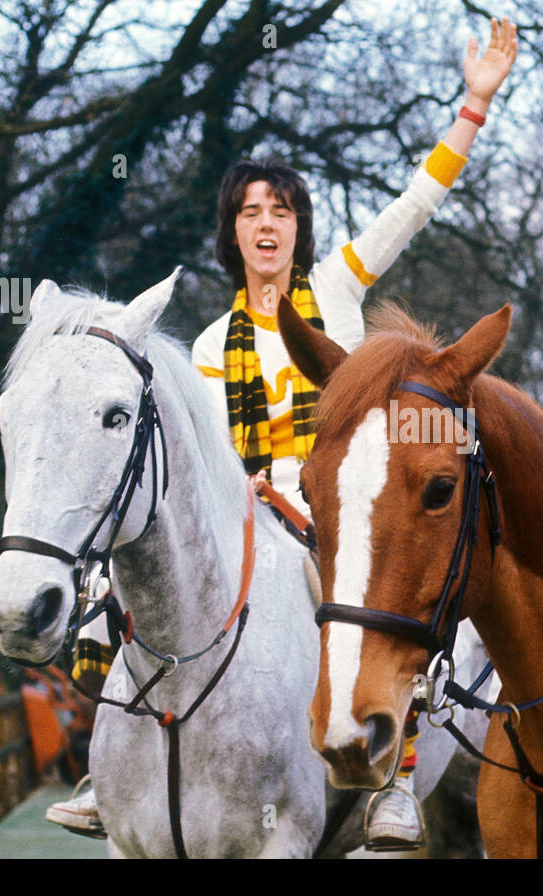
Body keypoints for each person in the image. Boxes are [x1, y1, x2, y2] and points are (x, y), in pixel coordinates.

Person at [48, 18, 519, 852]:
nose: (266, 223)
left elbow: (416, 201)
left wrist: (473, 106)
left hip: (327, 513)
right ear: (232, 232)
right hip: (241, 515)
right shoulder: (201, 346)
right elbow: (198, 465)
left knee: (373, 601)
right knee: (120, 591)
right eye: (250, 212)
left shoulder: (337, 288)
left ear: (299, 226)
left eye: (281, 209)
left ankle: (395, 780)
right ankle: (108, 770)